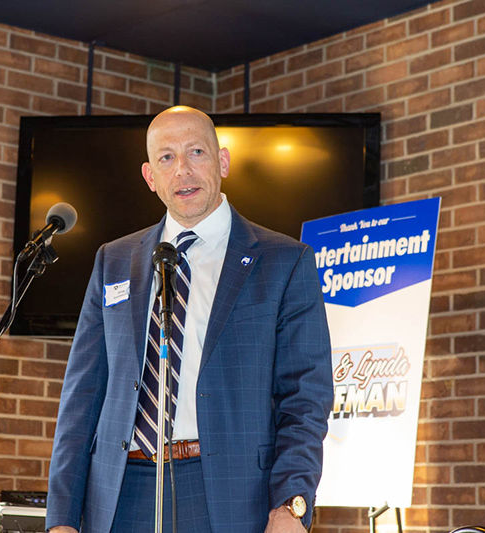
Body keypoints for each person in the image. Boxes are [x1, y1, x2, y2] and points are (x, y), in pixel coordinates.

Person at [45, 106, 333, 533]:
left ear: (223, 161)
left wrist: (290, 506)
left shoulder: (284, 262)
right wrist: (62, 518)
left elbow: (304, 401)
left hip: (229, 496)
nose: (182, 170)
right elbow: (81, 398)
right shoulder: (114, 261)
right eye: (166, 157)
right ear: (149, 177)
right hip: (119, 493)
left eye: (196, 151)